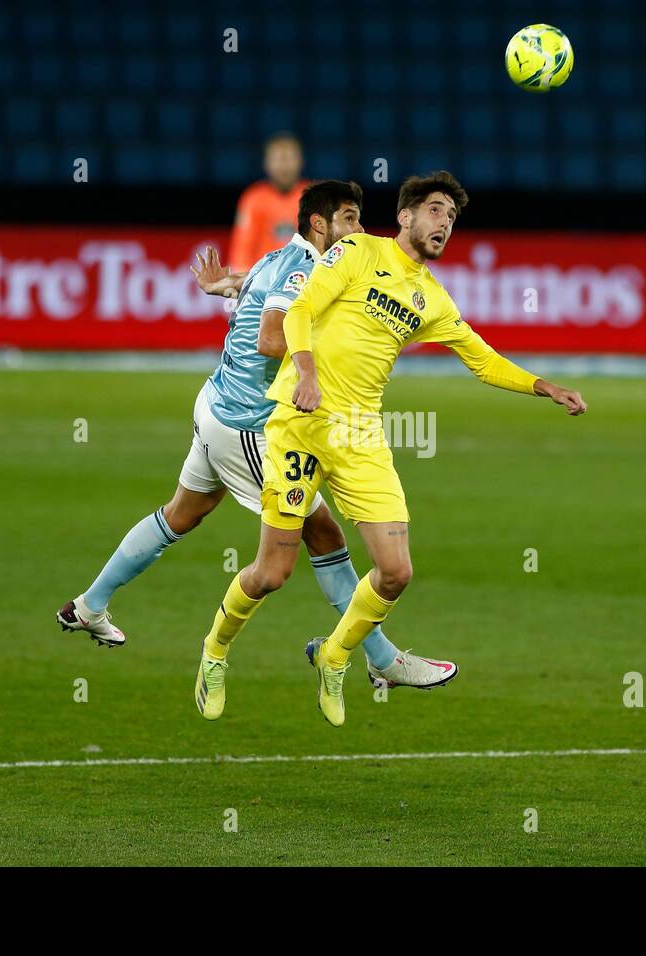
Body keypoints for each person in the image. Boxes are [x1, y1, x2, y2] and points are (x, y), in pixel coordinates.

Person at [194, 170, 587, 727]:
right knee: (271, 573)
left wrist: (543, 385)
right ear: (404, 216)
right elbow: (301, 310)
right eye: (433, 211)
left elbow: (482, 358)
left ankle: (334, 657)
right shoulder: (355, 251)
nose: (443, 224)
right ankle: (214, 651)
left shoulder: (432, 298)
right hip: (299, 423)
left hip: (360, 435)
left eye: (451, 218)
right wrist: (305, 372)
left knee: (396, 571)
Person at [58, 180, 456, 705]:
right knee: (321, 537)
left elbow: (264, 291)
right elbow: (273, 336)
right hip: (249, 425)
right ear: (322, 225)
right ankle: (382, 659)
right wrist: (320, 363)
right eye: (351, 219)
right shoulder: (307, 267)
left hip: (215, 404)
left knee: (181, 513)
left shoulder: (279, 258)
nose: (360, 230)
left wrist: (228, 286)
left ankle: (89, 605)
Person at [228, 132, 307, 271]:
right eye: (278, 159)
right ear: (266, 164)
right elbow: (241, 252)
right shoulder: (253, 199)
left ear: (301, 161)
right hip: (263, 284)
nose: (284, 167)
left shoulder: (315, 197)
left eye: (289, 159)